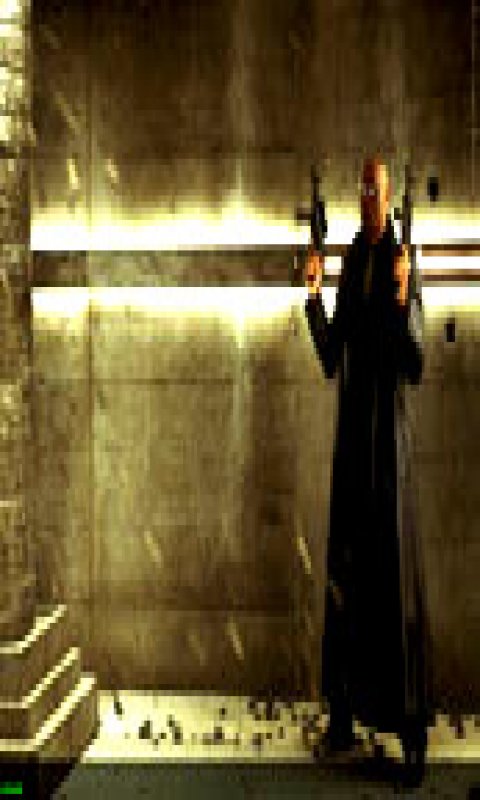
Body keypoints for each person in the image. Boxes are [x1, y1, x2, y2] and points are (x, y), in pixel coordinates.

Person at [303, 156, 434, 787]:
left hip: (390, 449)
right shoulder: (355, 259)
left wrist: (405, 298)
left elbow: (415, 364)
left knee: (392, 582)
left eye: (374, 192)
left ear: (388, 197)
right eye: (361, 192)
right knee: (347, 577)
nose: (367, 201)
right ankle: (343, 716)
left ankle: (410, 735)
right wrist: (312, 297)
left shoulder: (404, 260)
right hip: (353, 443)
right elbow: (332, 355)